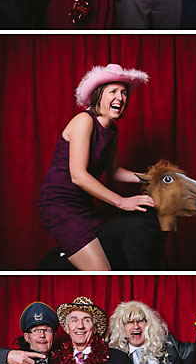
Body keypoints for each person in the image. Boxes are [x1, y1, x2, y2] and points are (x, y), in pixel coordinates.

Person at [37, 64, 156, 270]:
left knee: (112, 254)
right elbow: (78, 175)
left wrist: (151, 177)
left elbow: (114, 172)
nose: (120, 97)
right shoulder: (84, 121)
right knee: (102, 271)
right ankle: (52, 264)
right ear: (99, 96)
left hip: (83, 204)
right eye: (113, 91)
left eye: (124, 92)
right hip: (59, 204)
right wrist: (122, 202)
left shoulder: (112, 131)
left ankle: (61, 259)